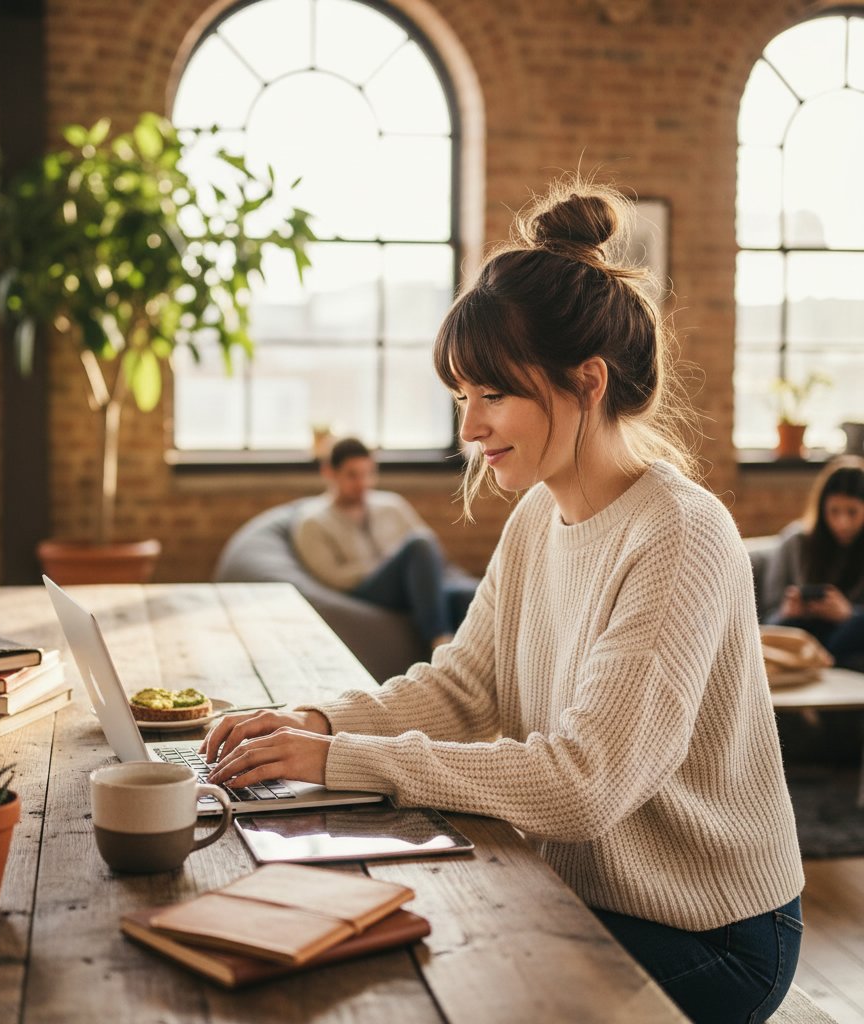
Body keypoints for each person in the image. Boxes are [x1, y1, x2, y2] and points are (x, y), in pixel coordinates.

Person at [203, 178, 804, 1023]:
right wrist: (318, 723)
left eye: (494, 395)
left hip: (713, 931)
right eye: (461, 399)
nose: (470, 430)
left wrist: (342, 763)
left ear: (587, 382)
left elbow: (586, 782)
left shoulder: (679, 533)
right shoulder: (538, 515)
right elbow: (465, 689)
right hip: (582, 887)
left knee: (433, 982)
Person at [292, 436, 476, 650]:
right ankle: (439, 642)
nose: (363, 484)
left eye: (368, 474)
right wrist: (388, 566)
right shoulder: (313, 521)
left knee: (467, 595)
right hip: (364, 590)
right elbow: (332, 576)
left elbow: (433, 553)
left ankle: (482, 665)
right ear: (329, 472)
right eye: (352, 475)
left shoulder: (391, 505)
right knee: (419, 543)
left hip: (409, 585)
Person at [762, 456, 864, 671]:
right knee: (783, 631)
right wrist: (788, 611)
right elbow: (768, 618)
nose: (842, 522)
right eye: (834, 511)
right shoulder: (794, 542)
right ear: (821, 509)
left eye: (852, 512)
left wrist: (847, 613)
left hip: (848, 635)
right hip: (799, 633)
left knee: (852, 630)